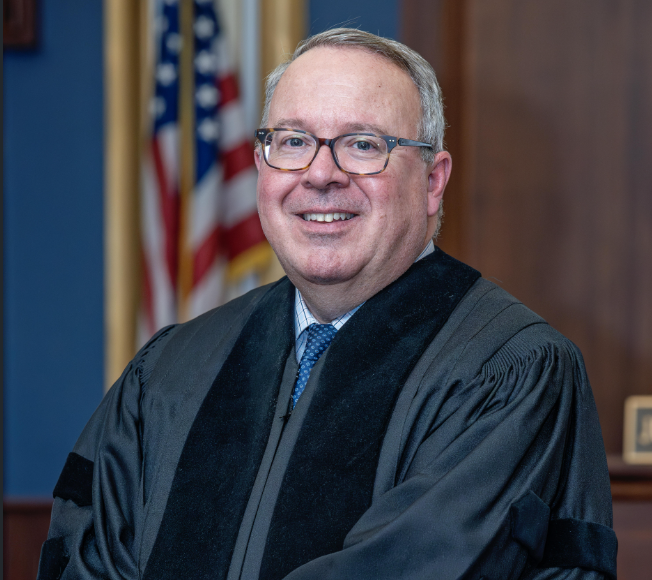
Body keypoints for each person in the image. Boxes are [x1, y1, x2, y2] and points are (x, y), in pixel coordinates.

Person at [38, 29, 616, 580]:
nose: (320, 175)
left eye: (363, 145)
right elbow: (86, 558)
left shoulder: (511, 372)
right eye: (292, 141)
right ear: (262, 165)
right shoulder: (171, 371)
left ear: (433, 180)